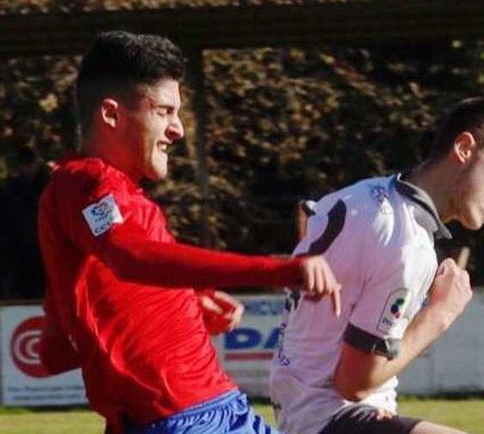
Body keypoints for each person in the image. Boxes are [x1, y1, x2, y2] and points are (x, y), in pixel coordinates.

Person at [37, 31, 341, 434]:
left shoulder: (91, 199)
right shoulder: (91, 183)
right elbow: (131, 257)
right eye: (164, 111)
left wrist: (185, 305)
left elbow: (53, 351)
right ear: (111, 115)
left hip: (184, 414)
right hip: (189, 415)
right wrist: (280, 270)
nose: (178, 129)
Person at [270, 96, 484, 434]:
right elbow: (355, 382)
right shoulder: (407, 243)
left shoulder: (363, 195)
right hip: (333, 419)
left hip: (301, 410)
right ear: (465, 148)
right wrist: (441, 313)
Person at [0, 147, 49, 299]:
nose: (27, 168)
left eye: (30, 164)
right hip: (17, 252)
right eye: (24, 164)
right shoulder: (9, 190)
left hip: (44, 249)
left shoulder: (47, 186)